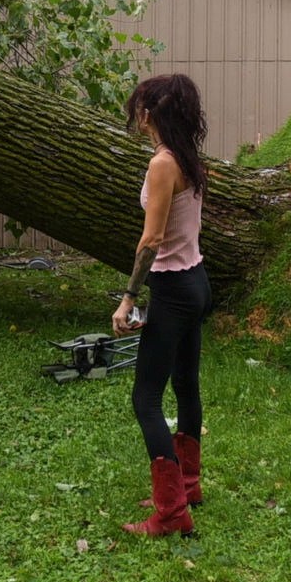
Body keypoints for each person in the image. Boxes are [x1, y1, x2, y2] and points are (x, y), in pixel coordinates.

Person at [112, 74, 211, 537]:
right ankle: (187, 485)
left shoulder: (162, 164)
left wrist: (129, 297)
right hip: (197, 281)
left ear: (149, 113)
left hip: (171, 288)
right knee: (186, 384)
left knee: (146, 398)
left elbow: (151, 239)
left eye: (139, 108)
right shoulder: (189, 157)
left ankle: (171, 513)